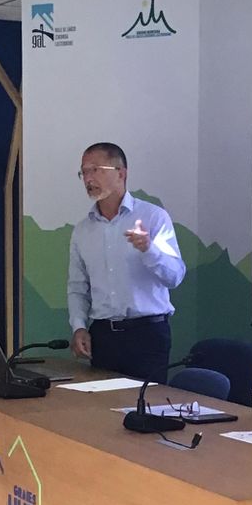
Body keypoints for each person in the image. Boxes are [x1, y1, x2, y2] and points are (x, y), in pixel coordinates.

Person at [68, 142, 186, 384]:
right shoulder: (82, 230)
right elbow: (77, 287)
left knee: (146, 404)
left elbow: (174, 277)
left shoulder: (153, 217)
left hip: (147, 335)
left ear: (121, 173)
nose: (88, 179)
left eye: (95, 170)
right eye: (84, 172)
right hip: (103, 336)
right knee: (102, 404)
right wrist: (79, 327)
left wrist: (149, 249)